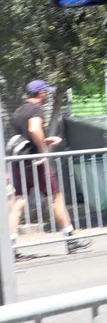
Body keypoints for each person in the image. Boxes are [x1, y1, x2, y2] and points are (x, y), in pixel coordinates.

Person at [7, 80, 91, 255]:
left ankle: (10, 248)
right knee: (55, 199)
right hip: (36, 162)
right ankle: (71, 240)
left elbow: (25, 137)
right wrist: (44, 151)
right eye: (46, 92)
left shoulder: (19, 111)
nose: (48, 95)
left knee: (18, 202)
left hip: (20, 161)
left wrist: (45, 140)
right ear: (41, 93)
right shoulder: (35, 110)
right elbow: (34, 129)